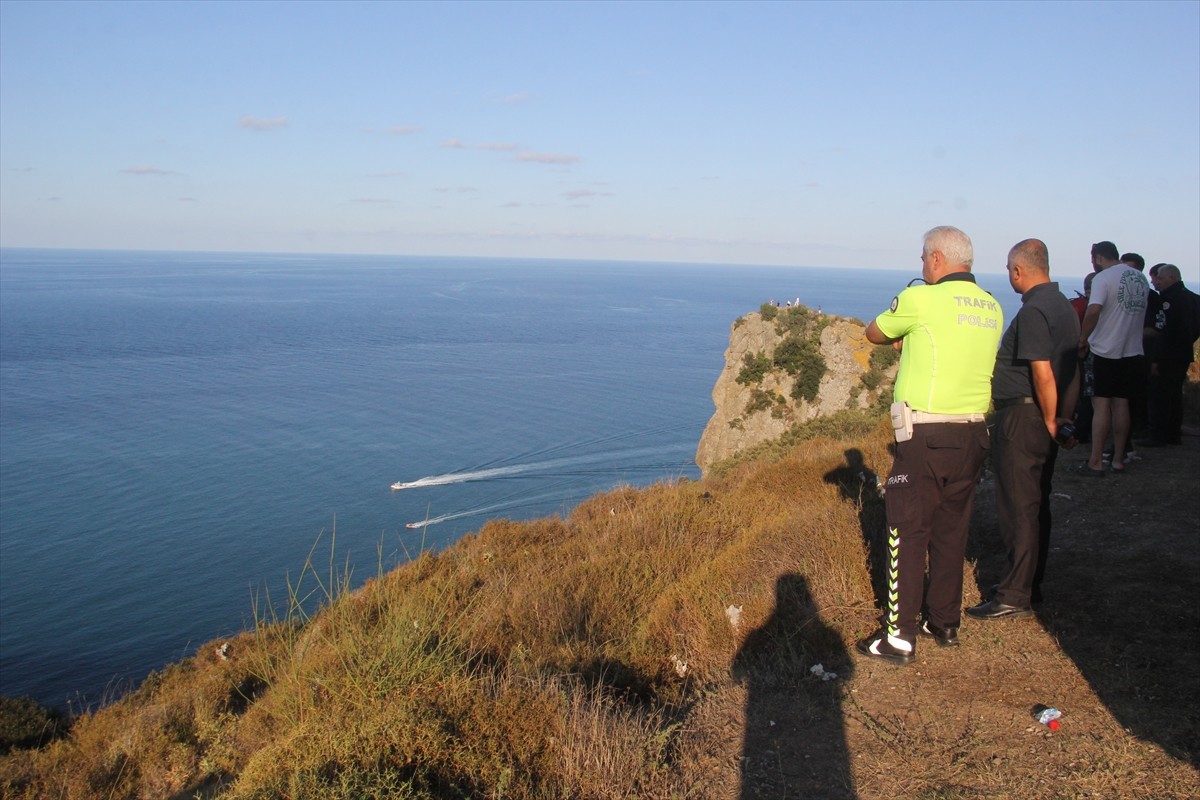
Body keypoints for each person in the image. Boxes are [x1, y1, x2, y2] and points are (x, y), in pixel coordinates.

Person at [855, 226, 1003, 665]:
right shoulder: (992, 306)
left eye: (923, 259)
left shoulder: (921, 298)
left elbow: (874, 333)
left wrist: (905, 333)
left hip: (926, 434)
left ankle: (898, 638)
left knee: (906, 528)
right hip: (974, 433)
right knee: (951, 528)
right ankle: (943, 621)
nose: (922, 266)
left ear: (937, 259)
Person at [967, 240, 1079, 620]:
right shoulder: (1064, 307)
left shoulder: (1034, 311)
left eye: (1009, 270)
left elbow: (1042, 371)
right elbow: (1074, 369)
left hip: (1024, 418)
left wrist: (1049, 418)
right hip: (1045, 416)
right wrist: (1063, 417)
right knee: (1035, 502)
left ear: (1018, 270)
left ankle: (1015, 594)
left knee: (1019, 507)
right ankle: (1030, 584)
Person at [1078, 241, 1150, 475]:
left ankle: (1096, 461)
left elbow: (1094, 309)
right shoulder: (1140, 279)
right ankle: (1118, 459)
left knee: (1101, 406)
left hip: (1105, 349)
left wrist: (1083, 338)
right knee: (1122, 404)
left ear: (1098, 258)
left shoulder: (1103, 278)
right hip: (1132, 349)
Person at [1140, 264, 1200, 446]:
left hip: (1166, 355)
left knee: (1159, 396)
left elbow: (1163, 332)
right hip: (1183, 354)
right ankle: (1174, 434)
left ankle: (1157, 436)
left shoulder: (1167, 300)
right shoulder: (1193, 299)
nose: (1156, 282)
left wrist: (1156, 359)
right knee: (1175, 396)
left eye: (1160, 278)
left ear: (1172, 277)